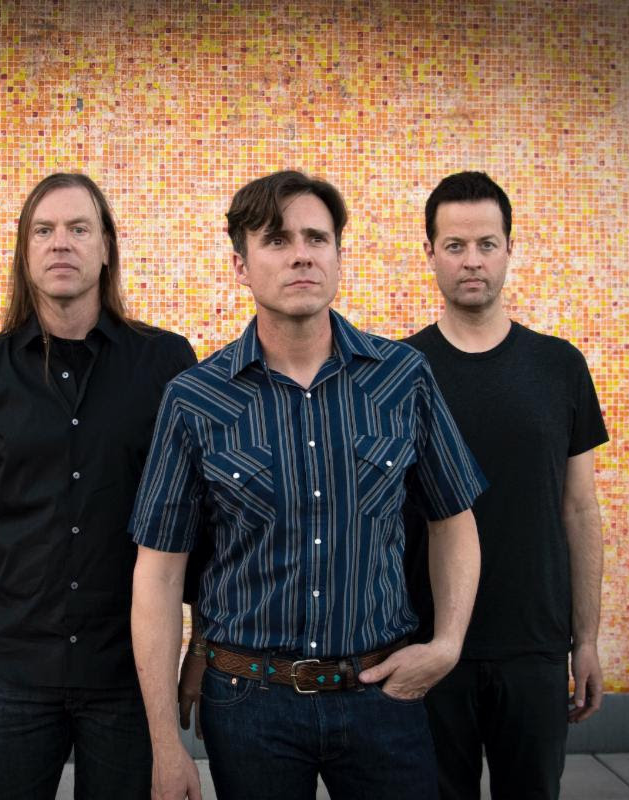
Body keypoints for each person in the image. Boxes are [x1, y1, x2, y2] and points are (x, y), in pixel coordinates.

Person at [130, 170, 486, 800]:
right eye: (276, 240)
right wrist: (163, 743)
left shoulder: (402, 378)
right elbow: (158, 576)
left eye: (316, 238)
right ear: (241, 266)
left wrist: (448, 644)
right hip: (249, 703)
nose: (301, 254)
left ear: (338, 256)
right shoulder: (194, 399)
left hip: (382, 693)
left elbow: (453, 522)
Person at [0, 173, 197, 799]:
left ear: (106, 248)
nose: (60, 243)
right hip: (12, 672)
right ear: (25, 252)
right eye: (43, 231)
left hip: (128, 672)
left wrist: (203, 645)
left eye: (78, 228)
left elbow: (201, 520)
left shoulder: (165, 364)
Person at [403, 171, 609, 799]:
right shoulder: (398, 372)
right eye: (455, 245)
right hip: (427, 644)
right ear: (430, 253)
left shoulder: (559, 366)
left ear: (509, 249)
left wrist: (587, 640)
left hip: (534, 645)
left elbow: (579, 510)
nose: (472, 260)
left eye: (486, 244)